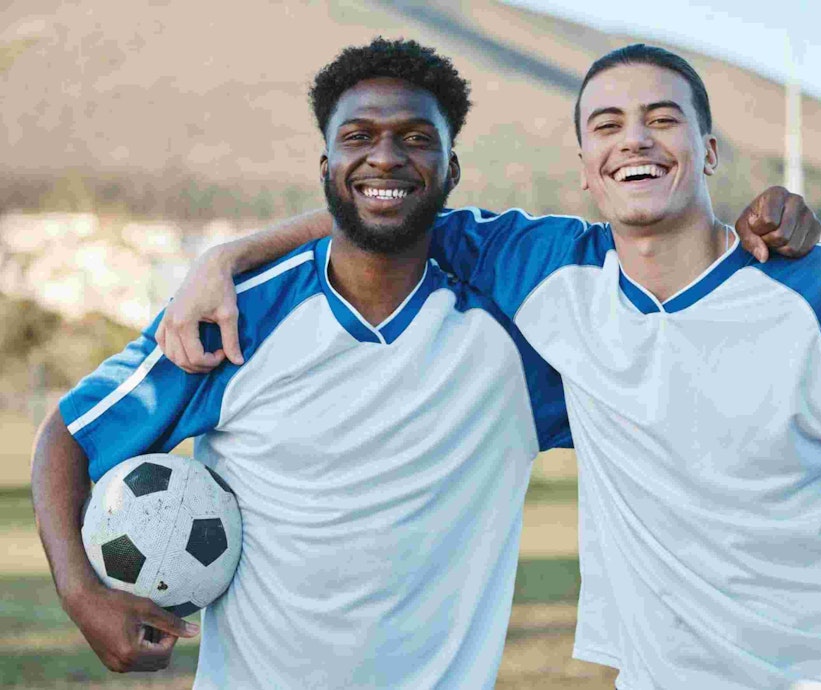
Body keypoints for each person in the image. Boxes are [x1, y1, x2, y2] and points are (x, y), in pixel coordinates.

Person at [164, 44, 821, 689]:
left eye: (662, 119)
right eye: (608, 124)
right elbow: (387, 200)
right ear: (585, 165)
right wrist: (230, 253)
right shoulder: (547, 272)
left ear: (708, 151)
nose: (635, 139)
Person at [33, 39, 576, 689]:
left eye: (415, 137)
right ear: (326, 165)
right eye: (359, 135)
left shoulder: (516, 334)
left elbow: (667, 367)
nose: (385, 154)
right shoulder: (239, 315)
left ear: (451, 168)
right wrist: (79, 593)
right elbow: (69, 434)